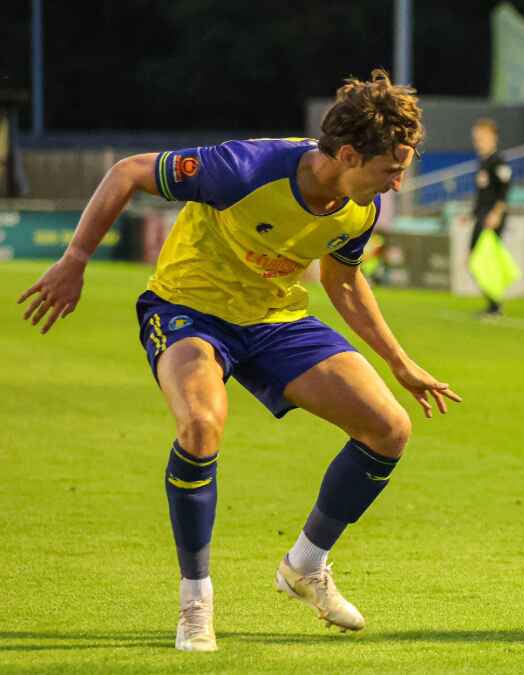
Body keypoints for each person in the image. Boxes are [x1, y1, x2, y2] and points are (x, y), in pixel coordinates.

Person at [17, 69, 463, 652]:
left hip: (275, 321)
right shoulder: (246, 168)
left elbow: (344, 281)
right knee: (201, 426)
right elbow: (127, 172)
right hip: (189, 311)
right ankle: (196, 601)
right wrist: (75, 257)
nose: (397, 185)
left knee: (389, 428)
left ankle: (305, 566)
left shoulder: (361, 205)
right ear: (349, 153)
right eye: (390, 170)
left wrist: (401, 363)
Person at [469, 117, 512, 317]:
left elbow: (504, 190)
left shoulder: (498, 161)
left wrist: (496, 213)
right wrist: (470, 213)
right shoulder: (483, 161)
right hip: (482, 214)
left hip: (492, 216)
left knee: (483, 259)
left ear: (492, 137)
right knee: (476, 258)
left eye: (481, 137)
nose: (478, 141)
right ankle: (492, 302)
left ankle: (495, 303)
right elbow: (482, 193)